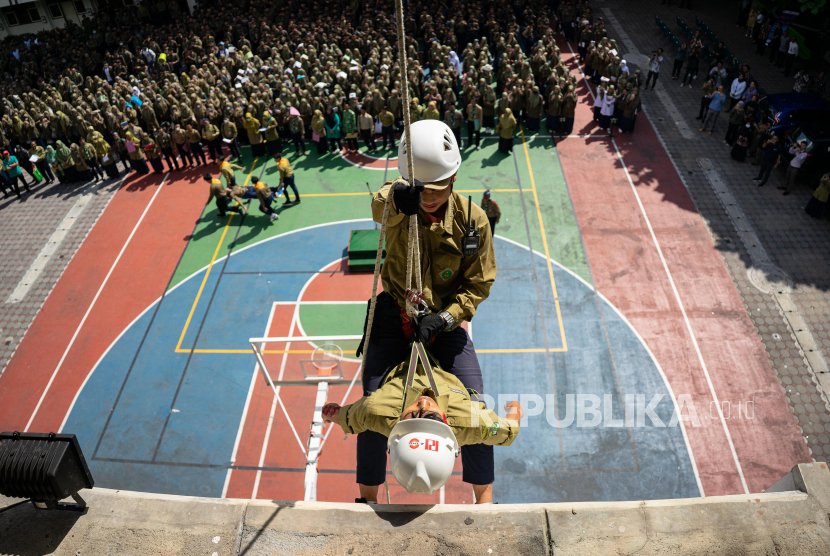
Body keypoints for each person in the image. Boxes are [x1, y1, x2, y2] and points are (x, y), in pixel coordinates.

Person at [357, 119, 498, 504]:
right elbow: (380, 206)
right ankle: (366, 497)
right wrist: (400, 197)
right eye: (425, 188)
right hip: (394, 317)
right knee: (372, 405)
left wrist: (446, 319)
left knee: (474, 406)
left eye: (439, 188)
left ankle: (484, 500)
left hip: (442, 321)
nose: (431, 196)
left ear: (454, 177)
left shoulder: (473, 221)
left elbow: (478, 285)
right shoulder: (399, 201)